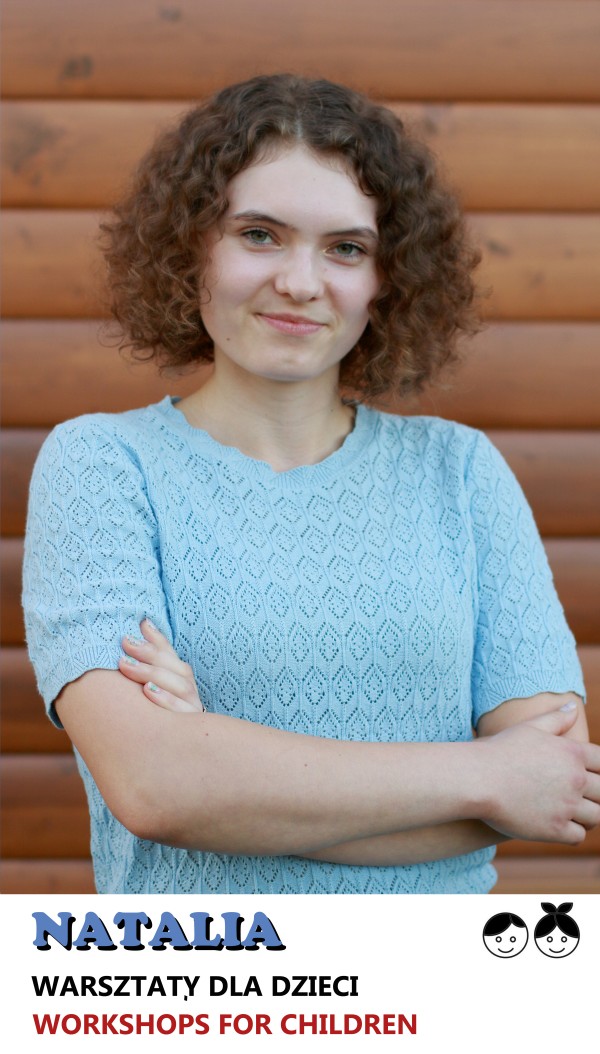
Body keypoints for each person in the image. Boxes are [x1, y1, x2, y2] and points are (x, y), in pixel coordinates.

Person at [23, 74, 600, 895]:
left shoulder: (461, 473)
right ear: (191, 248)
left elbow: (552, 783)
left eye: (346, 248)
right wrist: (483, 775)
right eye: (259, 235)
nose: (301, 282)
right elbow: (156, 787)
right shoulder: (104, 466)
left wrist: (225, 771)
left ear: (388, 277)